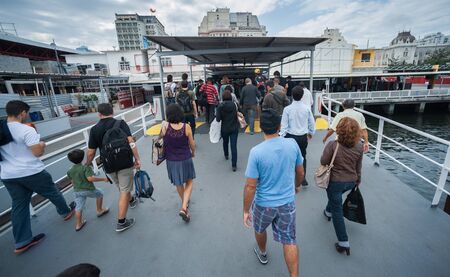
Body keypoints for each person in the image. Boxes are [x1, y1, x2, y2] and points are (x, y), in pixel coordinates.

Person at [0, 100, 75, 254]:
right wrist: (42, 144)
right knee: (52, 191)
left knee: (19, 206)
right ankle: (65, 212)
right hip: (31, 172)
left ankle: (22, 241)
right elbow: (37, 153)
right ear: (22, 112)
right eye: (26, 113)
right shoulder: (26, 130)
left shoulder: (1, 129)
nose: (27, 115)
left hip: (8, 175)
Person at [243, 109, 304, 277]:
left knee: (260, 228)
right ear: (279, 126)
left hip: (264, 204)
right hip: (287, 203)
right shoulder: (292, 144)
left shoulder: (256, 152)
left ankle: (262, 252)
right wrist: (296, 186)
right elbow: (300, 172)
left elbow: (250, 186)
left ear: (261, 127)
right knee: (289, 240)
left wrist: (246, 210)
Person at [86, 103, 141, 232]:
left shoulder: (94, 130)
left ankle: (131, 200)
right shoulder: (121, 124)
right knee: (124, 190)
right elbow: (131, 142)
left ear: (99, 114)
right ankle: (121, 222)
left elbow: (91, 152)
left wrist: (88, 163)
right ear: (112, 112)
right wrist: (137, 159)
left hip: (109, 164)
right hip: (125, 162)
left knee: (122, 188)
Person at [321, 117, 363, 256]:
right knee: (335, 199)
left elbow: (324, 161)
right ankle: (328, 211)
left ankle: (343, 243)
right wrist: (358, 179)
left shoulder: (333, 145)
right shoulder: (359, 146)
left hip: (335, 182)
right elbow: (358, 166)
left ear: (339, 130)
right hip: (351, 181)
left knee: (337, 209)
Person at [160, 104, 196, 222]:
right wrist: (193, 152)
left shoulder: (165, 127)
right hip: (185, 157)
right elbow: (192, 144)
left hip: (171, 160)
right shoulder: (186, 127)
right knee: (189, 181)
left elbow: (160, 141)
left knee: (178, 183)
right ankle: (184, 207)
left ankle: (184, 204)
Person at [280, 86, 315, 188]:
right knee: (303, 156)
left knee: (289, 157)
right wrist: (310, 133)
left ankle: (289, 179)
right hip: (303, 136)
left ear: (291, 95)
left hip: (290, 137)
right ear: (302, 95)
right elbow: (311, 123)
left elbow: (284, 126)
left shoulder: (287, 109)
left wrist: (281, 137)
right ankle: (302, 179)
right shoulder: (306, 109)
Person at [67, 149, 110, 232]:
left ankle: (78, 224)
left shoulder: (70, 170)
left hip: (77, 191)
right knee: (100, 194)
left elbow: (72, 181)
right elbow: (90, 179)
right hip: (88, 189)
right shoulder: (85, 167)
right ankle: (99, 210)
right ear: (82, 158)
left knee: (78, 207)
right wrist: (103, 179)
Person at [216, 88, 240, 172]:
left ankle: (226, 154)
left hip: (225, 128)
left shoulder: (220, 106)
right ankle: (234, 165)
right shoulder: (234, 105)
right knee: (234, 146)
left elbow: (218, 119)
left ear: (223, 97)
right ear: (230, 96)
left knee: (225, 142)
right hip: (234, 127)